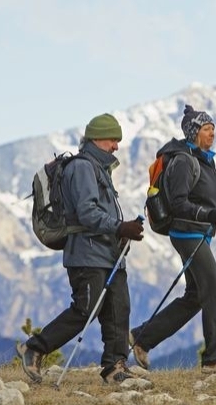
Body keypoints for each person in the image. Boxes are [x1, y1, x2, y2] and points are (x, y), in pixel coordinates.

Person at [129, 104, 216, 373]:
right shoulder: (183, 161)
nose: (212, 133)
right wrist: (207, 214)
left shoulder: (205, 160)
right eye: (206, 129)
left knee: (195, 296)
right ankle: (215, 359)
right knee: (214, 289)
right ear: (193, 133)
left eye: (213, 128)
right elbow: (180, 204)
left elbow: (215, 203)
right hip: (186, 233)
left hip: (198, 232)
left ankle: (142, 338)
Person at [16, 113, 145, 384]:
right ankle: (35, 347)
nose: (116, 146)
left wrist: (120, 234)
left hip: (108, 254)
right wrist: (120, 228)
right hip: (86, 254)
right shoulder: (83, 168)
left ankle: (115, 366)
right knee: (86, 309)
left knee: (118, 308)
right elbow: (87, 212)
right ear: (97, 138)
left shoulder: (100, 169)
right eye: (113, 139)